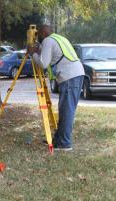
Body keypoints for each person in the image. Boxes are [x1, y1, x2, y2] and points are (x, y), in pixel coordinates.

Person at [28, 24, 84, 152]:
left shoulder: (48, 41)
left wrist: (33, 54)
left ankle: (65, 143)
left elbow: (43, 63)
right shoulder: (59, 38)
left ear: (42, 34)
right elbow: (54, 56)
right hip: (76, 73)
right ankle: (59, 140)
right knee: (65, 108)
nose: (38, 37)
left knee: (66, 110)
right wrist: (39, 50)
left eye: (39, 35)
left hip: (70, 76)